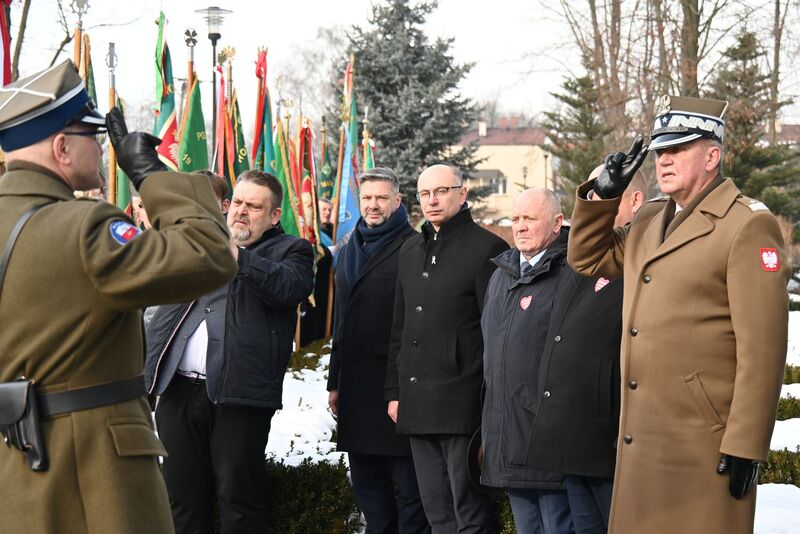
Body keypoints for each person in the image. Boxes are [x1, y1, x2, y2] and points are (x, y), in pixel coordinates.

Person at [0, 60, 237, 534]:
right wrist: (149, 173)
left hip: (15, 464)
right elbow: (211, 254)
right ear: (62, 147)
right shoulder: (83, 227)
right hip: (92, 470)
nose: (103, 149)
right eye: (95, 137)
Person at [567, 95, 790, 533]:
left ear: (712, 155)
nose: (663, 161)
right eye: (660, 151)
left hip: (701, 442)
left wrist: (747, 442)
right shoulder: (650, 218)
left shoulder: (745, 224)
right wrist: (601, 196)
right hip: (643, 433)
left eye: (677, 150)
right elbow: (588, 259)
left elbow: (762, 348)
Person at [144, 169, 315, 534]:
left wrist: (238, 256)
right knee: (182, 499)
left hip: (240, 397)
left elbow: (288, 287)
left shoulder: (292, 251)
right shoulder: (200, 245)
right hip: (178, 393)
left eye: (253, 206)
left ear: (273, 216)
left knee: (240, 501)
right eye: (237, 202)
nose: (241, 211)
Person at [386, 164, 509, 533]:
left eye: (441, 191)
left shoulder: (488, 248)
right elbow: (400, 328)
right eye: (425, 193)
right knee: (435, 508)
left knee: (467, 506)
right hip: (417, 401)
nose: (433, 200)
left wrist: (488, 398)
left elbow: (496, 332)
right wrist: (394, 391)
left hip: (462, 402)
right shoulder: (410, 250)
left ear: (463, 193)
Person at [525, 171, 645, 534]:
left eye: (608, 196)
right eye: (593, 197)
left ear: (634, 201)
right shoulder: (579, 253)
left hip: (610, 432)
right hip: (572, 432)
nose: (595, 206)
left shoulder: (642, 252)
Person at [328, 167, 429, 534]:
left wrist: (402, 389)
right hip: (355, 387)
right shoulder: (348, 247)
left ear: (398, 201)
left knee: (411, 491)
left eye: (381, 198)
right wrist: (334, 381)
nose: (373, 205)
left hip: (395, 387)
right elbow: (341, 320)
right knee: (368, 488)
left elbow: (416, 325)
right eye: (367, 198)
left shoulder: (414, 247)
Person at [480, 188, 574, 534]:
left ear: (556, 223)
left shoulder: (571, 273)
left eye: (530, 218)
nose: (520, 227)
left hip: (546, 437)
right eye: (515, 218)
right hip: (507, 433)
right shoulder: (501, 275)